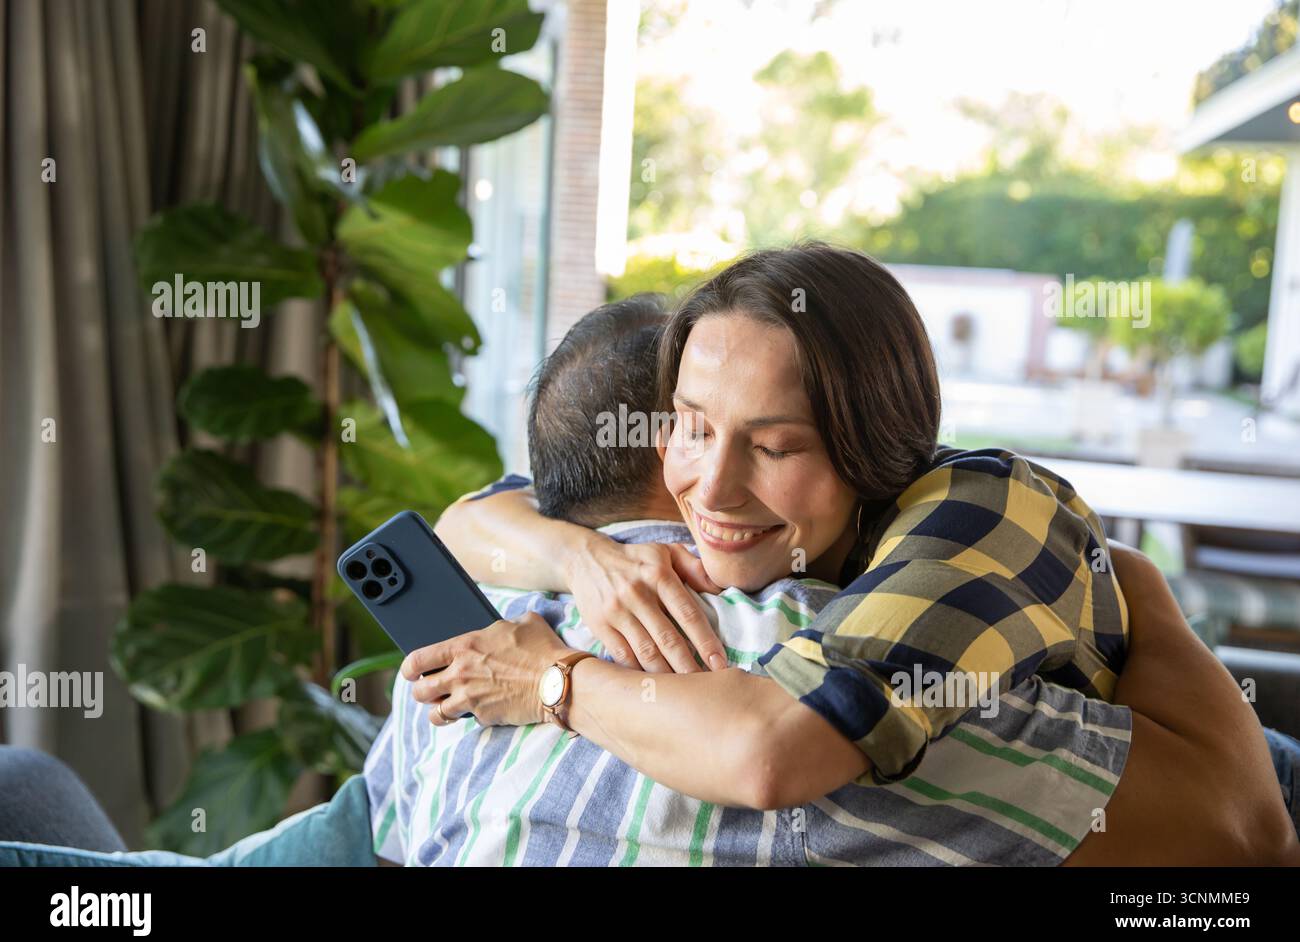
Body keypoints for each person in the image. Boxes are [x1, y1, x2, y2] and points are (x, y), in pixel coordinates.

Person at [414, 244, 1298, 863]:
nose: (709, 490)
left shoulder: (974, 515)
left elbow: (773, 754)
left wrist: (551, 681)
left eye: (776, 446)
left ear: (874, 447)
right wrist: (579, 560)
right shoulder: (700, 511)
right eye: (690, 427)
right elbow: (467, 521)